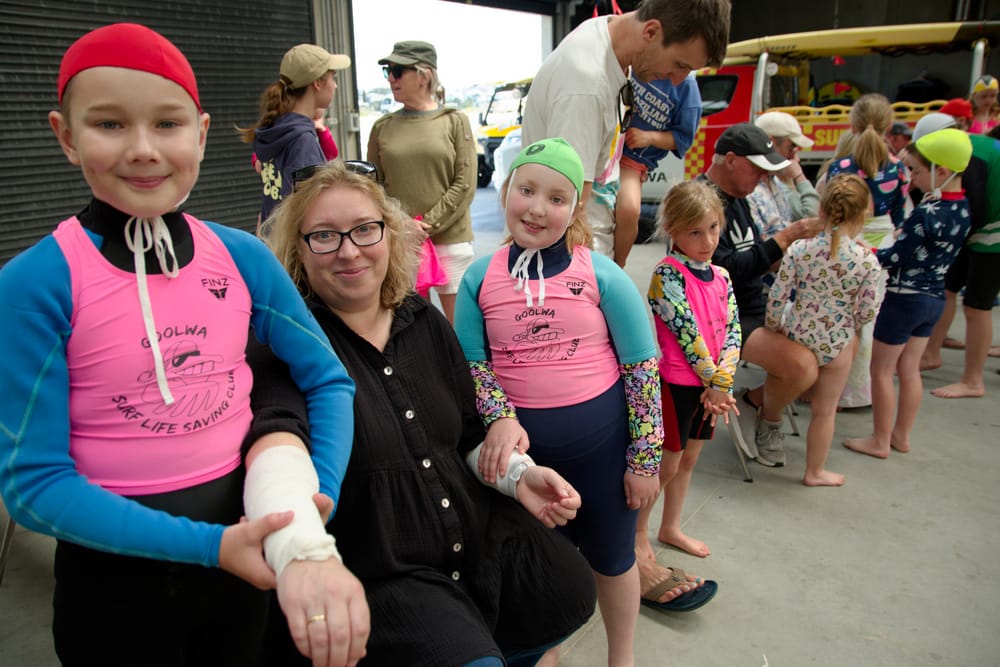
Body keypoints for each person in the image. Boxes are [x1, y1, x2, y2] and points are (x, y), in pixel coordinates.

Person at [0, 23, 364, 665]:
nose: (143, 149)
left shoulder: (243, 257)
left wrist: (316, 501)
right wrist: (209, 547)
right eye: (109, 125)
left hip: (243, 579)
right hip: (112, 597)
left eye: (167, 124)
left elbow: (329, 380)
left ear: (199, 133)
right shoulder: (37, 282)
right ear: (65, 135)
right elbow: (33, 486)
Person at [251, 159, 597, 666]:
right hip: (385, 568)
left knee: (565, 590)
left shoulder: (426, 323)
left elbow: (467, 436)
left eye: (364, 230)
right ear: (299, 253)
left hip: (473, 531)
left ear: (389, 236)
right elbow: (277, 451)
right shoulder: (292, 345)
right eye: (324, 236)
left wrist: (518, 477)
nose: (349, 251)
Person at [456, 138, 711, 666]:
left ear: (573, 209)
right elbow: (473, 367)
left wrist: (644, 461)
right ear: (506, 191)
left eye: (555, 198)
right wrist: (500, 416)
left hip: (602, 457)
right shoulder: (479, 279)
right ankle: (544, 652)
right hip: (522, 466)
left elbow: (642, 372)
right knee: (533, 566)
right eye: (526, 190)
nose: (536, 207)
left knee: (613, 561)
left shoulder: (600, 274)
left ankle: (623, 658)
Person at [521, 0, 731, 258]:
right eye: (680, 65)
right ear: (651, 32)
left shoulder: (608, 39)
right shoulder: (586, 87)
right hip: (575, 261)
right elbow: (572, 210)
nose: (677, 81)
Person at [845, 128, 972, 458]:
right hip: (934, 300)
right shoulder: (963, 209)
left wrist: (865, 252)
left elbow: (894, 257)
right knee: (909, 369)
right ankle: (900, 435)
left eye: (916, 170)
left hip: (904, 299)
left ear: (941, 172)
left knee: (882, 371)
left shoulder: (926, 213)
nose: (912, 177)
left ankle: (879, 439)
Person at [701, 123, 822, 467]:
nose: (762, 177)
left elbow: (751, 257)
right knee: (802, 367)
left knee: (835, 343)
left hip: (754, 304)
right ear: (731, 160)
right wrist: (783, 240)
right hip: (724, 317)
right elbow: (720, 270)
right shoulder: (702, 200)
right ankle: (765, 415)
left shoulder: (738, 198)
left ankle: (755, 403)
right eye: (757, 168)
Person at [639, 180, 739, 563]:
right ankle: (637, 533)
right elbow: (687, 334)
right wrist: (716, 382)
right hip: (678, 385)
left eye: (713, 227)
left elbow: (733, 330)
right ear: (673, 231)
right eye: (695, 232)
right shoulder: (667, 275)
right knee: (664, 466)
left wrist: (722, 383)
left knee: (690, 461)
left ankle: (671, 526)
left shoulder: (723, 276)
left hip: (711, 389)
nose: (707, 240)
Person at [766, 174, 884, 486]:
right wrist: (851, 325)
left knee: (784, 384)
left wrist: (775, 326)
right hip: (838, 341)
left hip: (798, 333)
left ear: (822, 210)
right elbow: (869, 309)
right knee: (825, 411)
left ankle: (769, 423)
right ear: (861, 216)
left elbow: (778, 295)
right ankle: (814, 471)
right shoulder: (866, 260)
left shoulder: (799, 250)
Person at [366, 40, 477, 325]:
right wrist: (402, 224)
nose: (391, 78)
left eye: (398, 71)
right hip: (402, 243)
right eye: (388, 72)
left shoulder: (454, 121)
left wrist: (424, 225)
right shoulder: (382, 127)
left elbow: (464, 183)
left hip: (449, 243)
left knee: (460, 331)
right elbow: (373, 186)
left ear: (424, 75)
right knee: (414, 328)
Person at [822, 93, 910, 409]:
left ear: (853, 124)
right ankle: (861, 391)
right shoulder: (898, 168)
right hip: (882, 243)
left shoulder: (842, 166)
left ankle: (835, 386)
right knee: (869, 319)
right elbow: (900, 214)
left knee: (841, 317)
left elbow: (832, 208)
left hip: (846, 240)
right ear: (888, 125)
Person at [916, 113, 1000, 398]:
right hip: (981, 226)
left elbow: (973, 210)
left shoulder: (969, 158)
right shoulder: (965, 147)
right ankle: (930, 353)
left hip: (993, 231)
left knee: (978, 306)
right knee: (948, 287)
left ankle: (973, 380)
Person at [239, 43, 350, 232]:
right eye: (333, 77)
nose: (336, 85)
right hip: (292, 249)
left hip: (272, 241)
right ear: (317, 83)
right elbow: (309, 210)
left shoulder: (274, 128)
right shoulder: (302, 140)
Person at [612, 72, 702, 267]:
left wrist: (650, 138)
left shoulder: (686, 86)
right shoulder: (635, 62)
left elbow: (682, 139)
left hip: (632, 159)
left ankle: (617, 266)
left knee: (629, 209)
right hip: (605, 146)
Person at [748, 111, 820, 239]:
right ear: (771, 143)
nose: (794, 157)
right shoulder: (749, 189)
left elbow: (812, 220)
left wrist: (797, 178)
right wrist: (798, 176)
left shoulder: (778, 184)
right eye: (791, 147)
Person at [253, 107, 338, 174]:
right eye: (314, 119)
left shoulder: (315, 134)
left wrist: (322, 131)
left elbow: (332, 155)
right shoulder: (295, 137)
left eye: (319, 119)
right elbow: (258, 165)